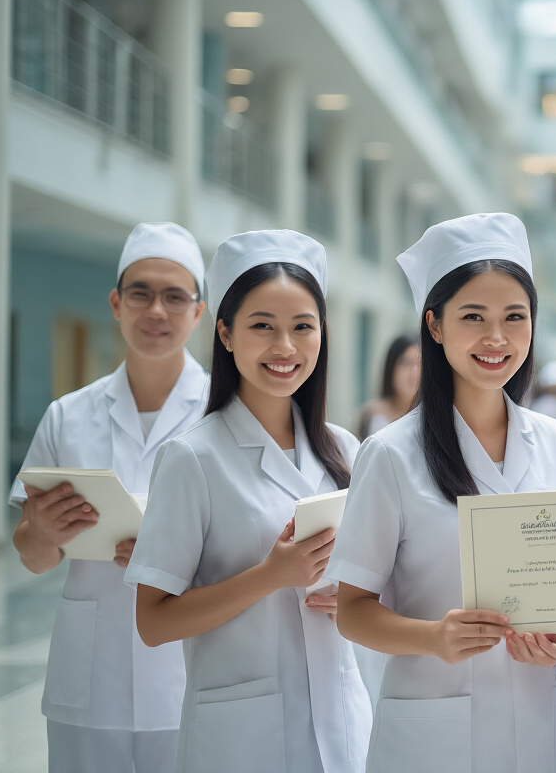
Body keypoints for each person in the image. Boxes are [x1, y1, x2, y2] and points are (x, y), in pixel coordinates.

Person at [327, 213, 556, 773]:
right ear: (435, 325)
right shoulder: (390, 454)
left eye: (514, 317)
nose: (497, 338)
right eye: (473, 317)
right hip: (433, 737)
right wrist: (433, 638)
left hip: (540, 724)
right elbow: (352, 612)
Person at [125, 230, 372, 773]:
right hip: (240, 736)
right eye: (263, 326)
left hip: (339, 720)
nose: (285, 347)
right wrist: (271, 576)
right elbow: (153, 622)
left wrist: (350, 595)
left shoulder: (345, 451)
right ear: (226, 333)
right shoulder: (192, 458)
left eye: (303, 327)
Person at [11, 221, 206, 773]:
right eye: (141, 294)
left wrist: (173, 559)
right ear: (116, 304)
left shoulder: (227, 415)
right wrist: (41, 532)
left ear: (198, 312)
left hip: (191, 670)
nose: (157, 310)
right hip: (91, 672)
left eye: (175, 297)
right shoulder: (68, 416)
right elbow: (33, 556)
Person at [356, 334, 420, 439]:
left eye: (420, 364)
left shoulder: (432, 417)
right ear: (391, 367)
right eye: (405, 363)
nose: (414, 372)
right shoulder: (370, 414)